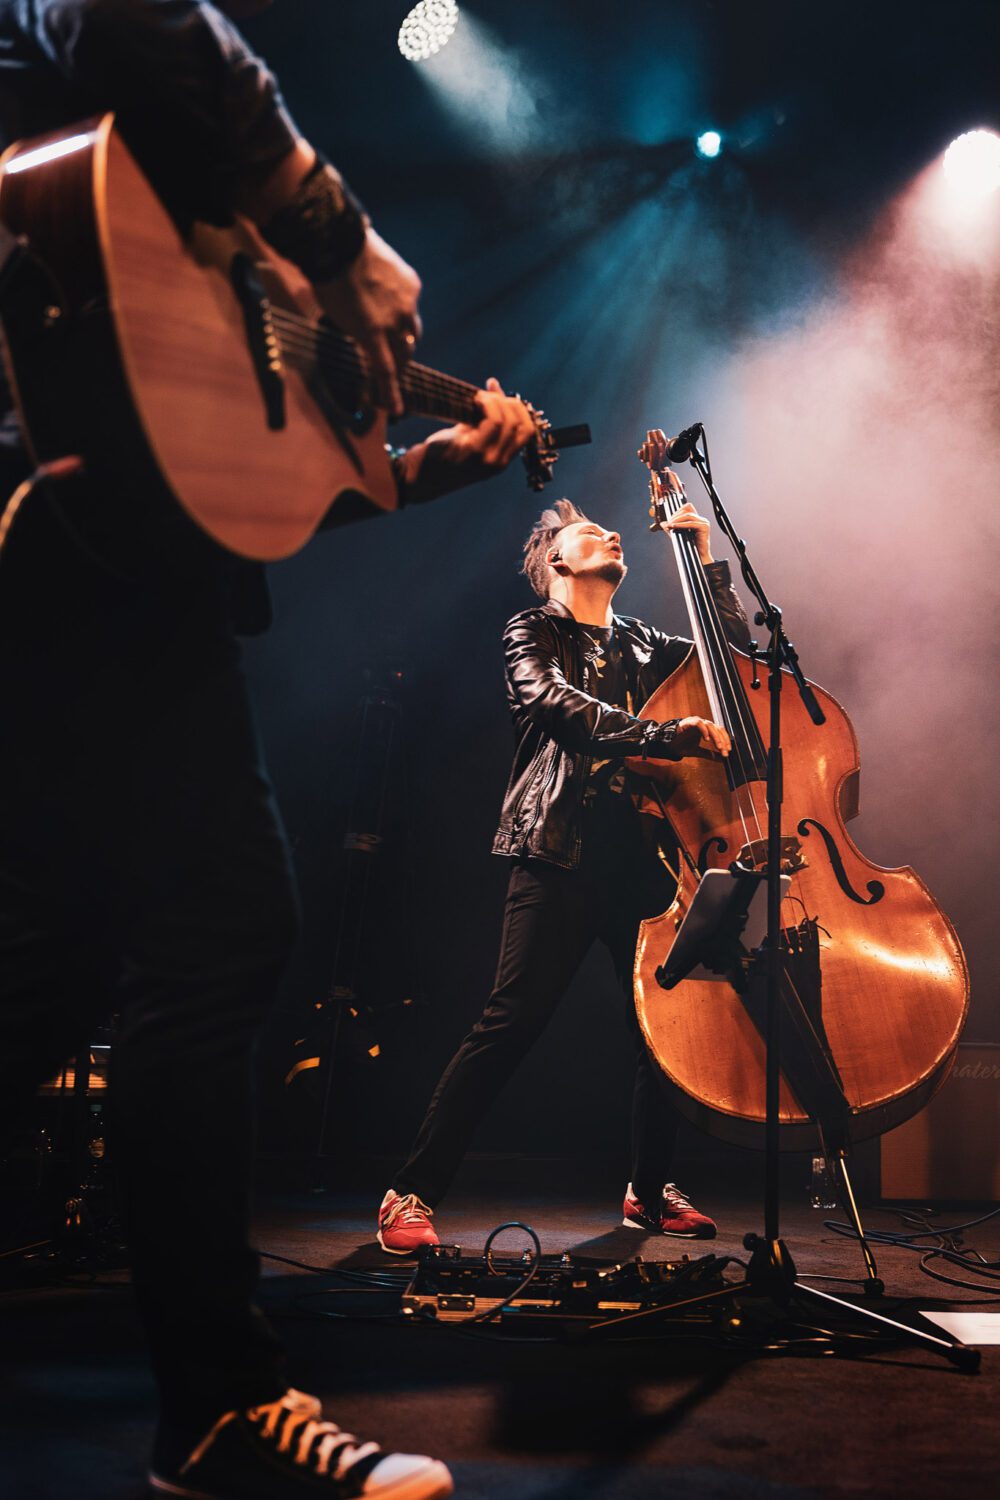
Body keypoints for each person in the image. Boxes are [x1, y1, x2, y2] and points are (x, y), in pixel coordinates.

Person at [0, 3, 534, 1497]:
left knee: (56, 961)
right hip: (69, 532)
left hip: (97, 545)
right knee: (216, 927)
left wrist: (425, 468)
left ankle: (219, 1406)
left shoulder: (187, 251)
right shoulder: (130, 149)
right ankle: (221, 1407)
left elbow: (244, 465)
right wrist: (338, 229)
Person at [376, 463, 751, 1256]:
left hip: (646, 857)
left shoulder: (646, 641)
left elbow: (732, 662)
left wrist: (704, 559)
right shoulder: (531, 630)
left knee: (664, 1027)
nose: (614, 534)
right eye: (592, 532)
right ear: (556, 562)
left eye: (614, 532)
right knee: (510, 1022)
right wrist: (659, 735)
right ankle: (409, 1194)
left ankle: (649, 1194)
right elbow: (551, 703)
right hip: (559, 846)